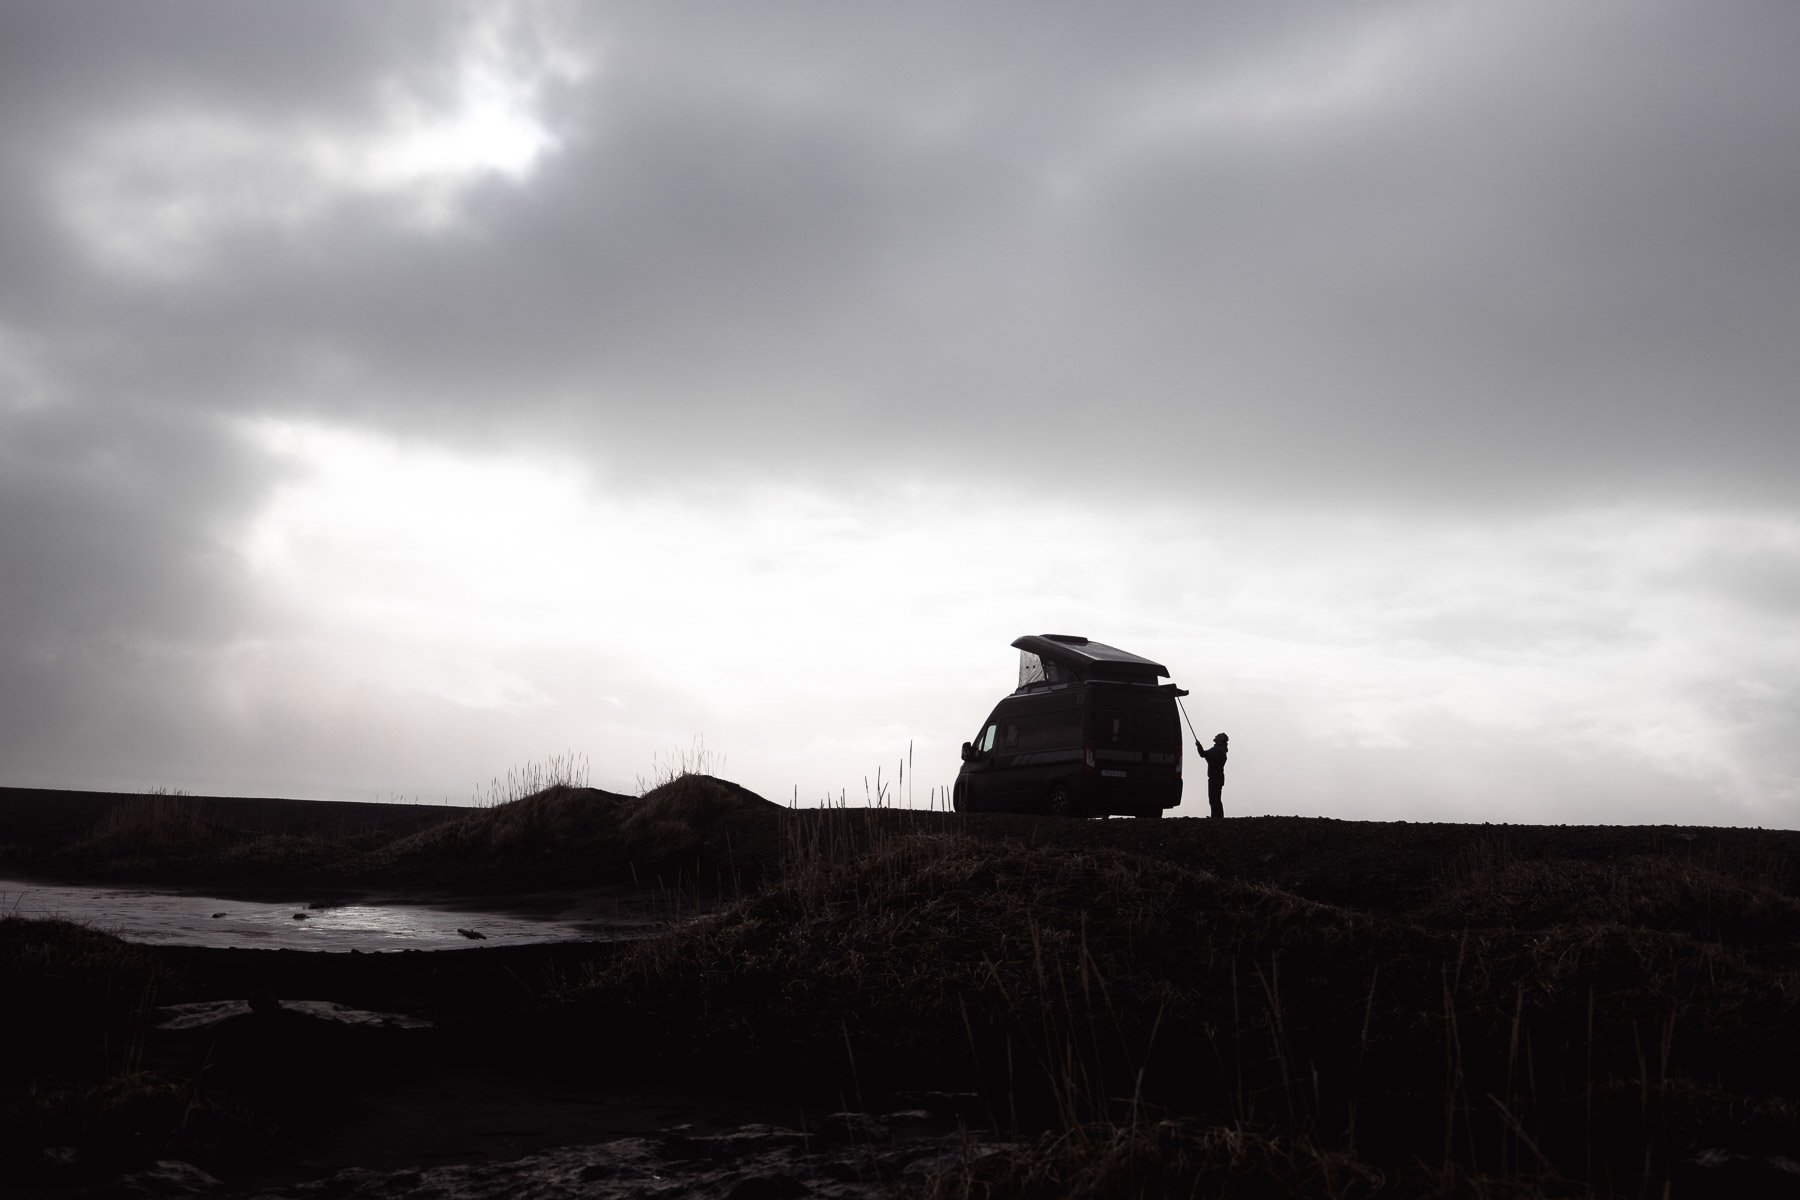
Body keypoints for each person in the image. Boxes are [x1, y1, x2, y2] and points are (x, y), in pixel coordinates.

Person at [1196, 733, 1229, 819]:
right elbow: (1205, 755)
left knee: (1214, 799)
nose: (1215, 737)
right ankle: (1218, 817)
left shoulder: (1217, 749)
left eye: (1217, 736)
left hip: (1214, 777)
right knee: (1216, 798)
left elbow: (1203, 754)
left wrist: (1199, 746)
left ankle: (1216, 818)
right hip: (1219, 777)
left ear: (1220, 739)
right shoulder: (1222, 750)